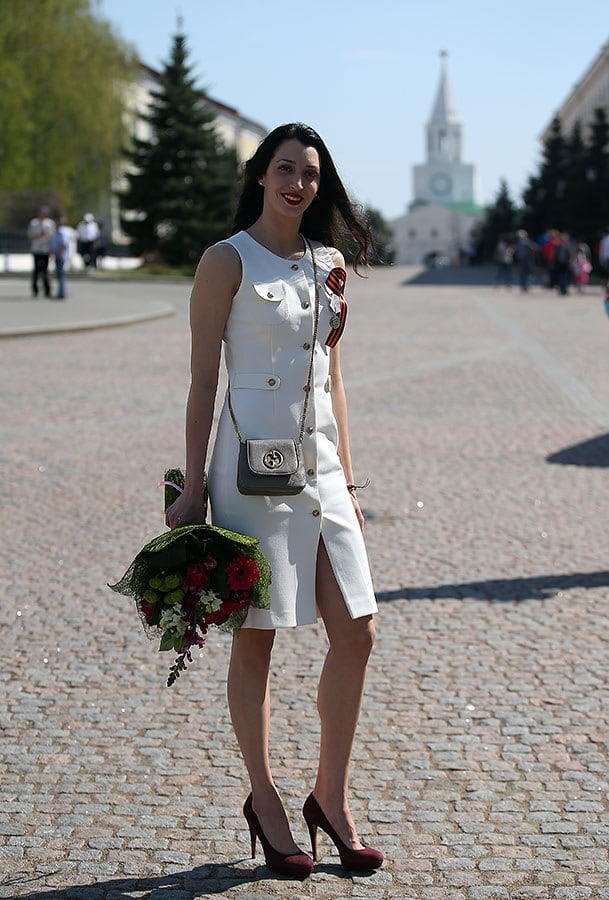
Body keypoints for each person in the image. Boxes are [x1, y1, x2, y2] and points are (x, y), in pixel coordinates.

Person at [165, 123, 383, 879]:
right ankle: (265, 799)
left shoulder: (329, 265)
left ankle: (331, 794)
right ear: (259, 176)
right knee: (256, 637)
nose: (298, 184)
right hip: (249, 473)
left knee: (357, 631)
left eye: (311, 174)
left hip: (319, 473)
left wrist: (349, 485)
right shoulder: (225, 260)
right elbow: (201, 381)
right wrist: (192, 489)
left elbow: (335, 381)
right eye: (284, 169)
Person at [27, 205, 56, 298]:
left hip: (46, 249)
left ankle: (47, 290)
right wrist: (39, 235)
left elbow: (53, 236)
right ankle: (35, 290)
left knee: (45, 271)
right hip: (36, 249)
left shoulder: (50, 223)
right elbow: (30, 236)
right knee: (36, 270)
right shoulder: (34, 223)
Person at [50, 216, 72, 299]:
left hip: (61, 256)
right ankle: (60, 292)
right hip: (57, 255)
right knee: (59, 275)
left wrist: (58, 254)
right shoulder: (56, 232)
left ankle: (62, 293)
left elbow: (63, 245)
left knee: (61, 274)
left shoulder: (63, 232)